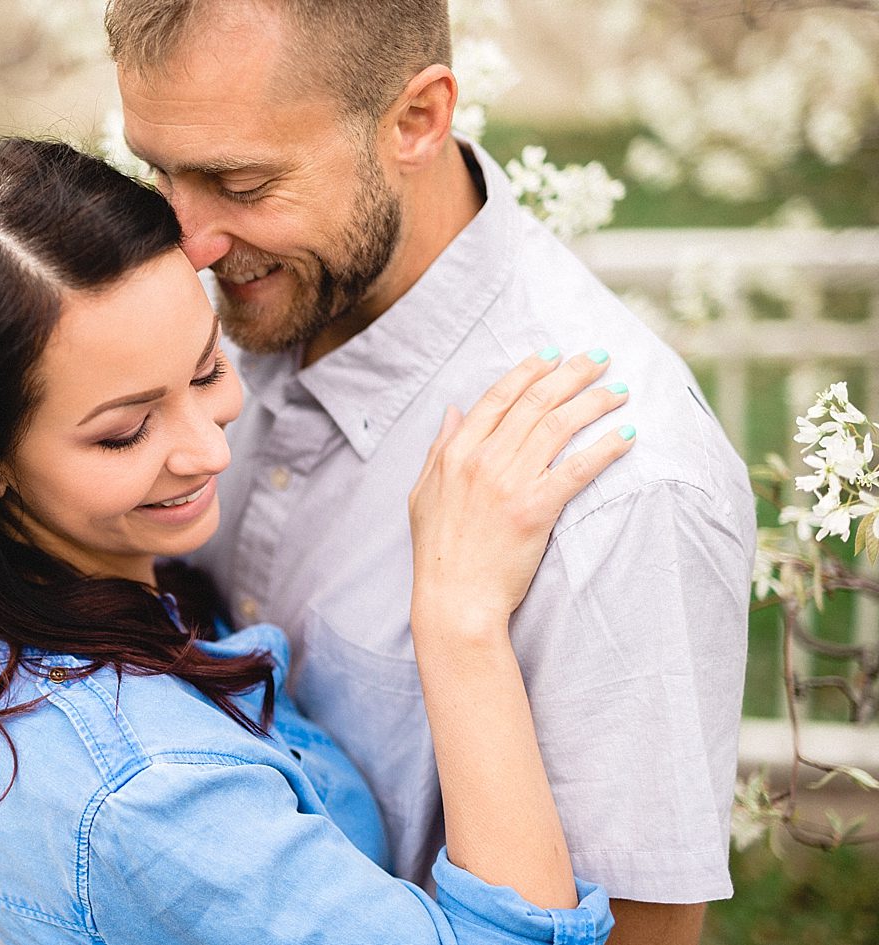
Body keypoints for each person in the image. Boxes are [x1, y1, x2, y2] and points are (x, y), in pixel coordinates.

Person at [0, 138, 634, 943]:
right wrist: (461, 615)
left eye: (203, 371)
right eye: (125, 432)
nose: (210, 452)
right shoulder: (150, 793)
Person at [106, 2, 752, 942]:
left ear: (417, 119)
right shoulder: (207, 314)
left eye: (241, 182)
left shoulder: (621, 486)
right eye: (157, 173)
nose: (188, 243)